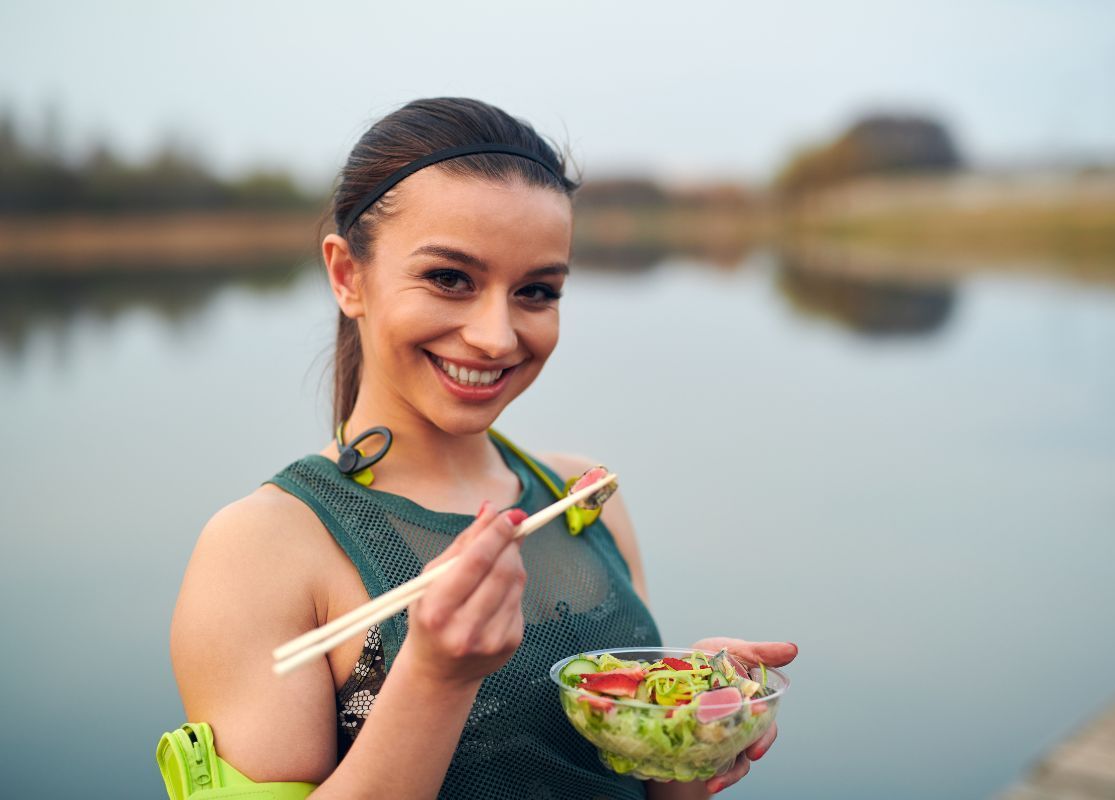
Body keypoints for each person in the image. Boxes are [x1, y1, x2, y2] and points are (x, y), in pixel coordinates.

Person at [167, 97, 796, 799]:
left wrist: (680, 727)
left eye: (536, 290)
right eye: (449, 279)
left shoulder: (580, 498)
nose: (497, 336)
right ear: (348, 276)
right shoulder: (263, 547)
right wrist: (435, 676)